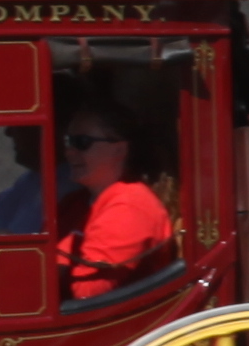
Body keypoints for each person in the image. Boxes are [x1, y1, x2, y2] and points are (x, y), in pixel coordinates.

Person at [49, 106, 177, 302]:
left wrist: (57, 256)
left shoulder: (130, 206)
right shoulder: (74, 203)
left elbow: (88, 292)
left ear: (119, 149)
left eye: (81, 142)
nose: (69, 152)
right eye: (68, 141)